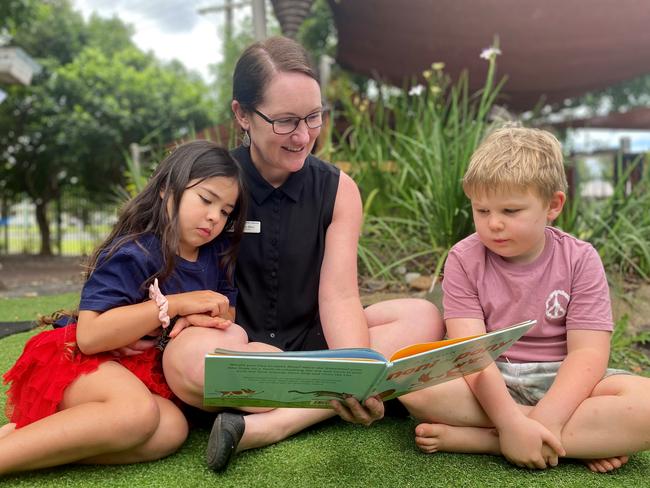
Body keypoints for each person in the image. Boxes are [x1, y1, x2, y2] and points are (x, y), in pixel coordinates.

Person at [162, 36, 444, 471]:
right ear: (242, 114)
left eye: (314, 117)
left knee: (422, 318)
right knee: (183, 361)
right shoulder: (214, 183)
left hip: (317, 342)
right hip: (238, 345)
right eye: (286, 121)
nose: (303, 136)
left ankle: (270, 424)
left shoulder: (339, 190)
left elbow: (339, 296)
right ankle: (317, 400)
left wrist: (355, 371)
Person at [400, 127, 650, 473]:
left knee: (646, 405)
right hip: (490, 379)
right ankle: (579, 439)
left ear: (553, 205)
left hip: (564, 381)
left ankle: (484, 440)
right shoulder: (463, 258)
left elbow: (588, 354)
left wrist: (543, 418)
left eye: (511, 211)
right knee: (414, 387)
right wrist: (510, 420)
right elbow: (471, 351)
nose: (494, 224)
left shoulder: (580, 258)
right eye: (482, 210)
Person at [0, 140, 251, 475]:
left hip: (136, 374)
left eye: (225, 211)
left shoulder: (216, 256)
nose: (213, 217)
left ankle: (31, 443)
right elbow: (90, 336)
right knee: (137, 414)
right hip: (82, 361)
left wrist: (195, 317)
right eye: (205, 199)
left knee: (172, 429)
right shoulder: (137, 251)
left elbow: (225, 311)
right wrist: (175, 304)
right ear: (166, 190)